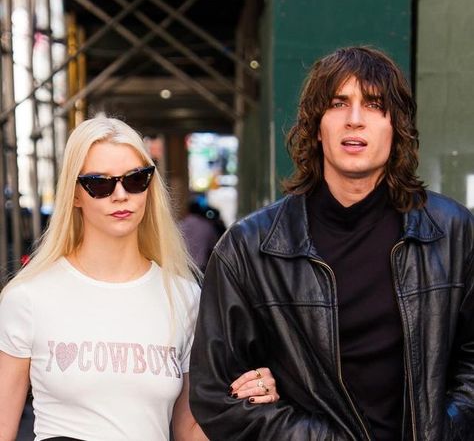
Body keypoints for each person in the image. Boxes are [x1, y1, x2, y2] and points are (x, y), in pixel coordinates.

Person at [189, 46, 474, 440]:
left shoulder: (453, 232)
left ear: (397, 126)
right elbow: (215, 394)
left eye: (374, 105)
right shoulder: (249, 249)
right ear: (316, 124)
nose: (355, 120)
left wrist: (445, 428)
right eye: (339, 103)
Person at [0, 116, 278, 441]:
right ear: (74, 194)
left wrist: (244, 401)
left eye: (135, 179)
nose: (120, 195)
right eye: (100, 184)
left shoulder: (184, 297)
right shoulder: (30, 297)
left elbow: (189, 431)